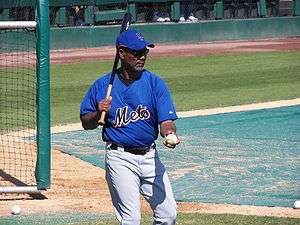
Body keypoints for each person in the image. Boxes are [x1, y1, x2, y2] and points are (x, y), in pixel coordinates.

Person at [80, 30, 180, 225]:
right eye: (136, 52)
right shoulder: (103, 86)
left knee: (168, 216)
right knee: (131, 219)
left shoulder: (154, 83)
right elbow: (86, 122)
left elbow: (166, 121)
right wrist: (98, 111)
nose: (142, 56)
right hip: (120, 158)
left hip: (150, 156)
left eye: (145, 52)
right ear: (121, 53)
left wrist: (169, 133)